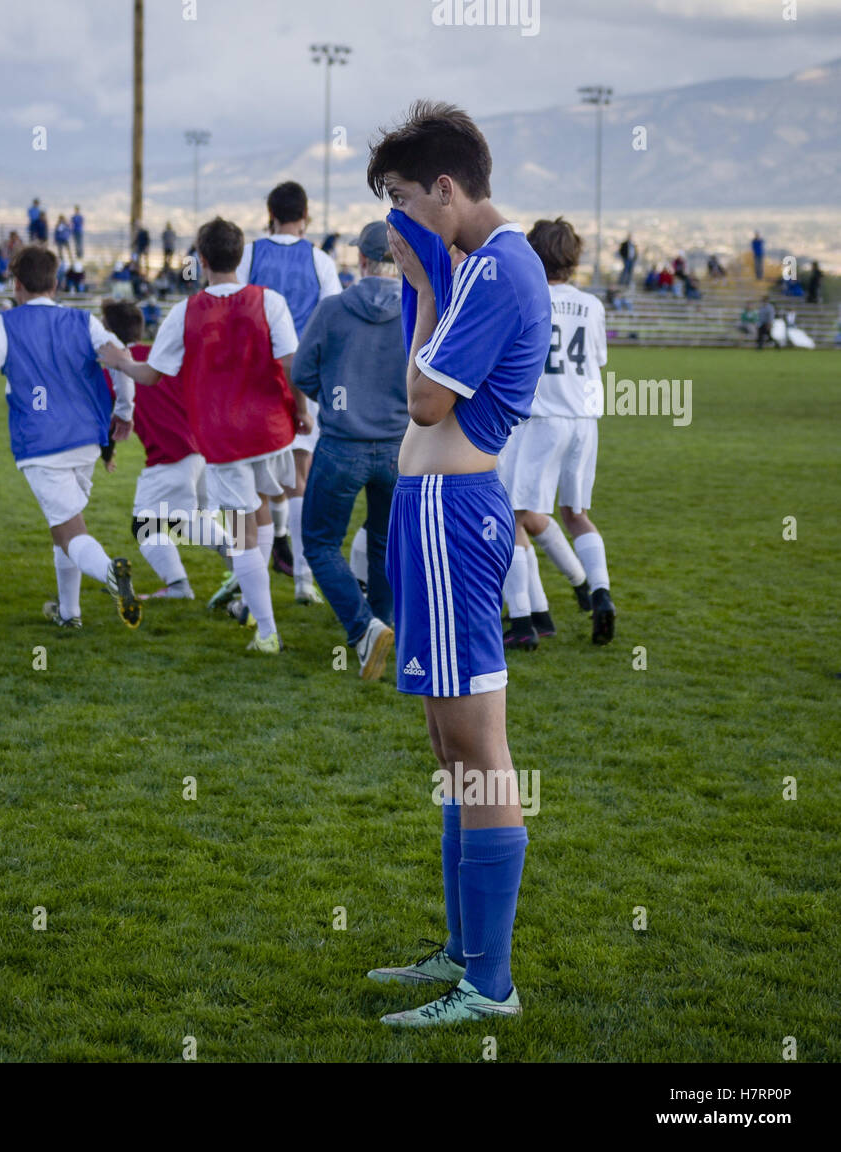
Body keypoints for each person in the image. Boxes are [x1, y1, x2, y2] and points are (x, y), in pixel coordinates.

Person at [362, 100, 551, 1026]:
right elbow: (422, 382)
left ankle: (492, 986)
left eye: (404, 196)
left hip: (452, 514)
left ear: (446, 187)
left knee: (480, 748)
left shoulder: (499, 268)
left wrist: (429, 298)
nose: (398, 218)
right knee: (450, 746)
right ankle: (466, 951)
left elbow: (427, 400)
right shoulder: (479, 266)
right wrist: (429, 294)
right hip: (430, 513)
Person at [103, 217, 308, 655]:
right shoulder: (269, 301)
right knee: (265, 512)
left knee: (242, 531)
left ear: (201, 258)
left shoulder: (185, 311)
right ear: (241, 255)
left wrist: (120, 362)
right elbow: (292, 365)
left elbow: (152, 375)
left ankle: (266, 630)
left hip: (223, 437)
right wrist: (302, 411)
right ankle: (254, 605)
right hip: (271, 429)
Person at [0, 245, 143, 630]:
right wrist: (124, 411)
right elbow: (123, 360)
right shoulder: (84, 321)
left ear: (16, 284)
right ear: (55, 283)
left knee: (70, 530)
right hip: (87, 437)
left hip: (41, 443)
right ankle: (69, 614)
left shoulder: (7, 323)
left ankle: (112, 574)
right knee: (64, 525)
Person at [291, 220, 409, 681]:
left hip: (342, 444)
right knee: (383, 544)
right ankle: (383, 626)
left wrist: (339, 398)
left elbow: (301, 372)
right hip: (400, 446)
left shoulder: (333, 309)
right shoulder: (418, 310)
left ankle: (365, 629)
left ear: (360, 259)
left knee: (319, 543)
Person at [497, 218, 613, 651]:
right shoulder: (592, 305)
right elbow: (595, 359)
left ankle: (524, 621)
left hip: (541, 419)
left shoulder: (528, 298)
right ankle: (599, 592)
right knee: (575, 513)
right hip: (585, 420)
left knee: (508, 515)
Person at [235, 180, 342, 604]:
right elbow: (332, 321)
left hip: (254, 381)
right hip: (303, 377)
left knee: (256, 484)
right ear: (306, 216)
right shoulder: (320, 260)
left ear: (270, 212)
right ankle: (301, 581)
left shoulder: (248, 254)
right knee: (299, 479)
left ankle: (253, 590)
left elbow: (235, 312)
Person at [100, 299, 231, 600]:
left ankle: (178, 586)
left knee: (145, 526)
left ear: (110, 335)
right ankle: (241, 564)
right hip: (202, 454)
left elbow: (111, 417)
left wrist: (107, 454)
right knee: (188, 522)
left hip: (170, 456)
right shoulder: (163, 355)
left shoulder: (118, 369)